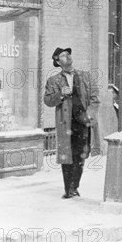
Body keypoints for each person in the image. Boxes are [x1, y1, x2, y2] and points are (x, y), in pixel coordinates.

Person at [44, 47, 100, 199]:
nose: (67, 57)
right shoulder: (53, 80)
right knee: (67, 157)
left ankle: (75, 186)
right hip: (66, 124)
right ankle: (69, 189)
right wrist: (60, 94)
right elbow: (48, 100)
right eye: (63, 55)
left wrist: (89, 115)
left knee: (81, 155)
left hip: (83, 122)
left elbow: (95, 98)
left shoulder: (86, 76)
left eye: (68, 54)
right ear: (57, 61)